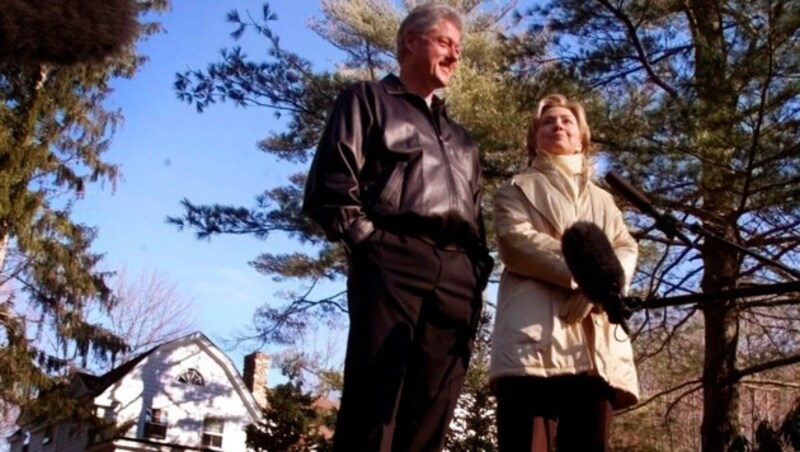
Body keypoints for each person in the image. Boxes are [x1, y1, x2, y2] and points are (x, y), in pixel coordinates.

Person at [302, 3, 493, 451]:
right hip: (392, 261)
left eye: (459, 48)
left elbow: (477, 216)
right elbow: (331, 183)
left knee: (434, 409)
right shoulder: (366, 100)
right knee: (374, 403)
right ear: (410, 41)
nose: (455, 56)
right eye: (445, 43)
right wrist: (369, 243)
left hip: (458, 278)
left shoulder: (463, 140)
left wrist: (476, 269)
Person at [489, 94, 639, 451]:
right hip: (532, 341)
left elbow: (626, 247)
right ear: (535, 136)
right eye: (548, 122)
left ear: (581, 138)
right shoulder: (514, 189)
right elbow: (516, 241)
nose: (558, 125)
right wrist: (590, 274)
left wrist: (599, 290)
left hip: (596, 345)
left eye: (567, 121)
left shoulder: (605, 201)